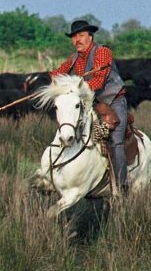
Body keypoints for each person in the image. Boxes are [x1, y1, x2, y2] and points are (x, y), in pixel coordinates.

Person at [50, 19, 128, 192]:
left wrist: (75, 88)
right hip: (92, 102)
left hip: (113, 100)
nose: (77, 40)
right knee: (71, 130)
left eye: (81, 35)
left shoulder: (102, 52)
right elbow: (58, 73)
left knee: (116, 141)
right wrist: (51, 83)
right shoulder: (75, 58)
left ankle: (121, 186)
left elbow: (98, 81)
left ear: (90, 37)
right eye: (74, 37)